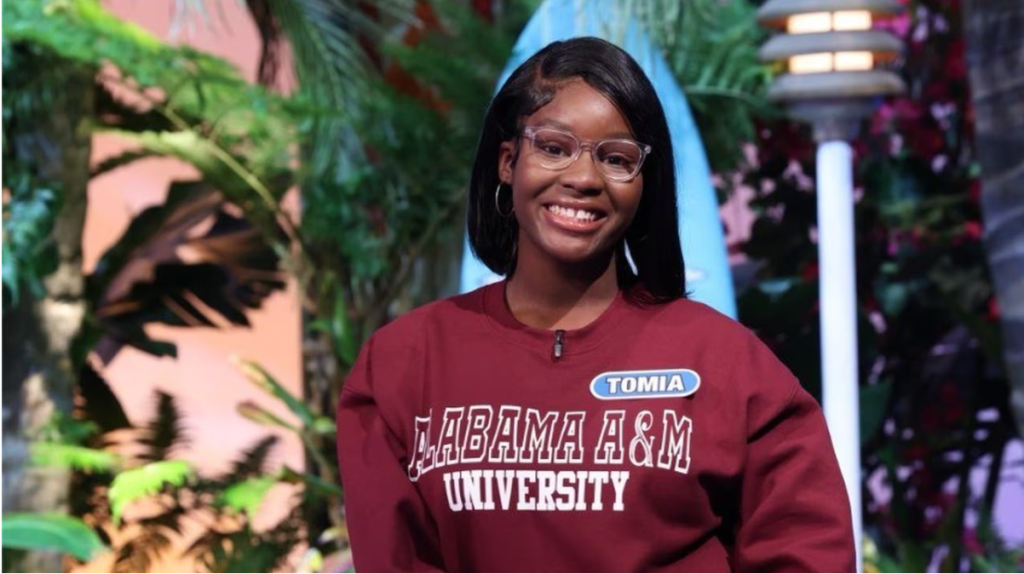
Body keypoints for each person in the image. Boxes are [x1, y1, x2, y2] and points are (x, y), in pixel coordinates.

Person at [336, 36, 855, 572]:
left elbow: (807, 552)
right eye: (554, 147)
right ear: (509, 161)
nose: (583, 178)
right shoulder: (404, 366)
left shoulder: (726, 366)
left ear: (643, 184)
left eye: (617, 158)